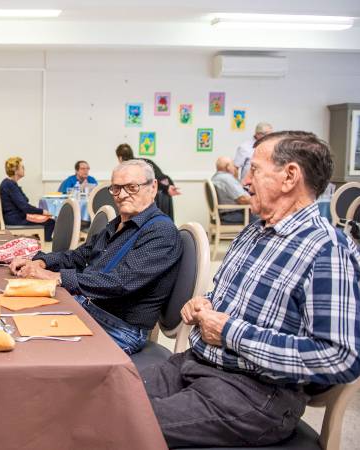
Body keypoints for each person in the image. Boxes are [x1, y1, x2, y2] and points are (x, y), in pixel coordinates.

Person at [141, 131, 360, 448]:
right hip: (197, 363)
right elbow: (228, 300)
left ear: (289, 177)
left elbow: (339, 357)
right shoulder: (254, 232)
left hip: (255, 395)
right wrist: (205, 304)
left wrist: (231, 332)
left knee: (123, 421)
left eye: (254, 169)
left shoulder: (327, 250)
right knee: (105, 398)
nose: (244, 180)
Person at [9, 160, 182, 354]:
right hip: (91, 308)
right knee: (16, 322)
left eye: (132, 187)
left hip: (121, 329)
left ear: (153, 187)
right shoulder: (118, 224)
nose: (122, 195)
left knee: (33, 349)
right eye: (116, 188)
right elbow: (79, 256)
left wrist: (55, 277)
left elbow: (120, 282)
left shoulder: (161, 231)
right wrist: (40, 261)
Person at [115, 143, 180, 220]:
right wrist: (168, 187)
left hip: (156, 199)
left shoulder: (129, 169)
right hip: (165, 195)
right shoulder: (145, 161)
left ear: (120, 158)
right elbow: (163, 177)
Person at [0, 156, 55, 242]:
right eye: (22, 167)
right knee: (50, 222)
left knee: (47, 220)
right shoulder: (10, 185)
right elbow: (25, 207)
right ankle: (44, 246)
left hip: (13, 217)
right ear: (16, 170)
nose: (24, 169)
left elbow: (24, 200)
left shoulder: (10, 183)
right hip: (15, 220)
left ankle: (37, 241)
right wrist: (43, 212)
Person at [211, 156, 258, 224]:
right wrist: (259, 202)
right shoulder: (227, 179)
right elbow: (243, 199)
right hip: (232, 215)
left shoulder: (216, 178)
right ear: (228, 167)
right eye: (233, 165)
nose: (236, 168)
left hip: (224, 214)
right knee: (263, 218)